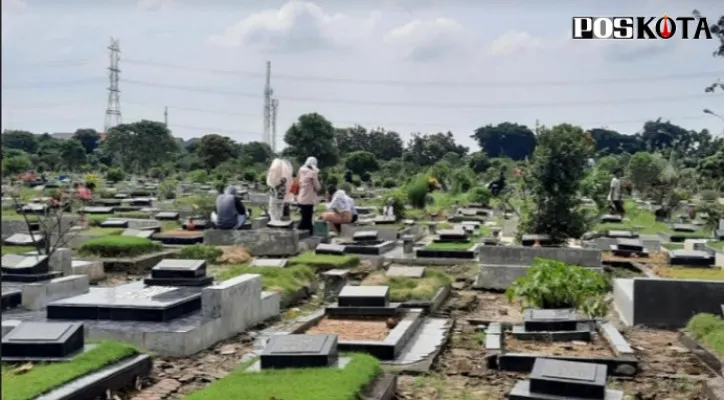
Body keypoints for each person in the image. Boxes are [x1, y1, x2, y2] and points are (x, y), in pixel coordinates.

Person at [296, 156, 321, 234]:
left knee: (305, 217)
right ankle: (304, 232)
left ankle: (308, 231)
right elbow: (317, 187)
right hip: (309, 199)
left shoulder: (301, 171)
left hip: (301, 197)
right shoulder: (312, 173)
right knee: (306, 218)